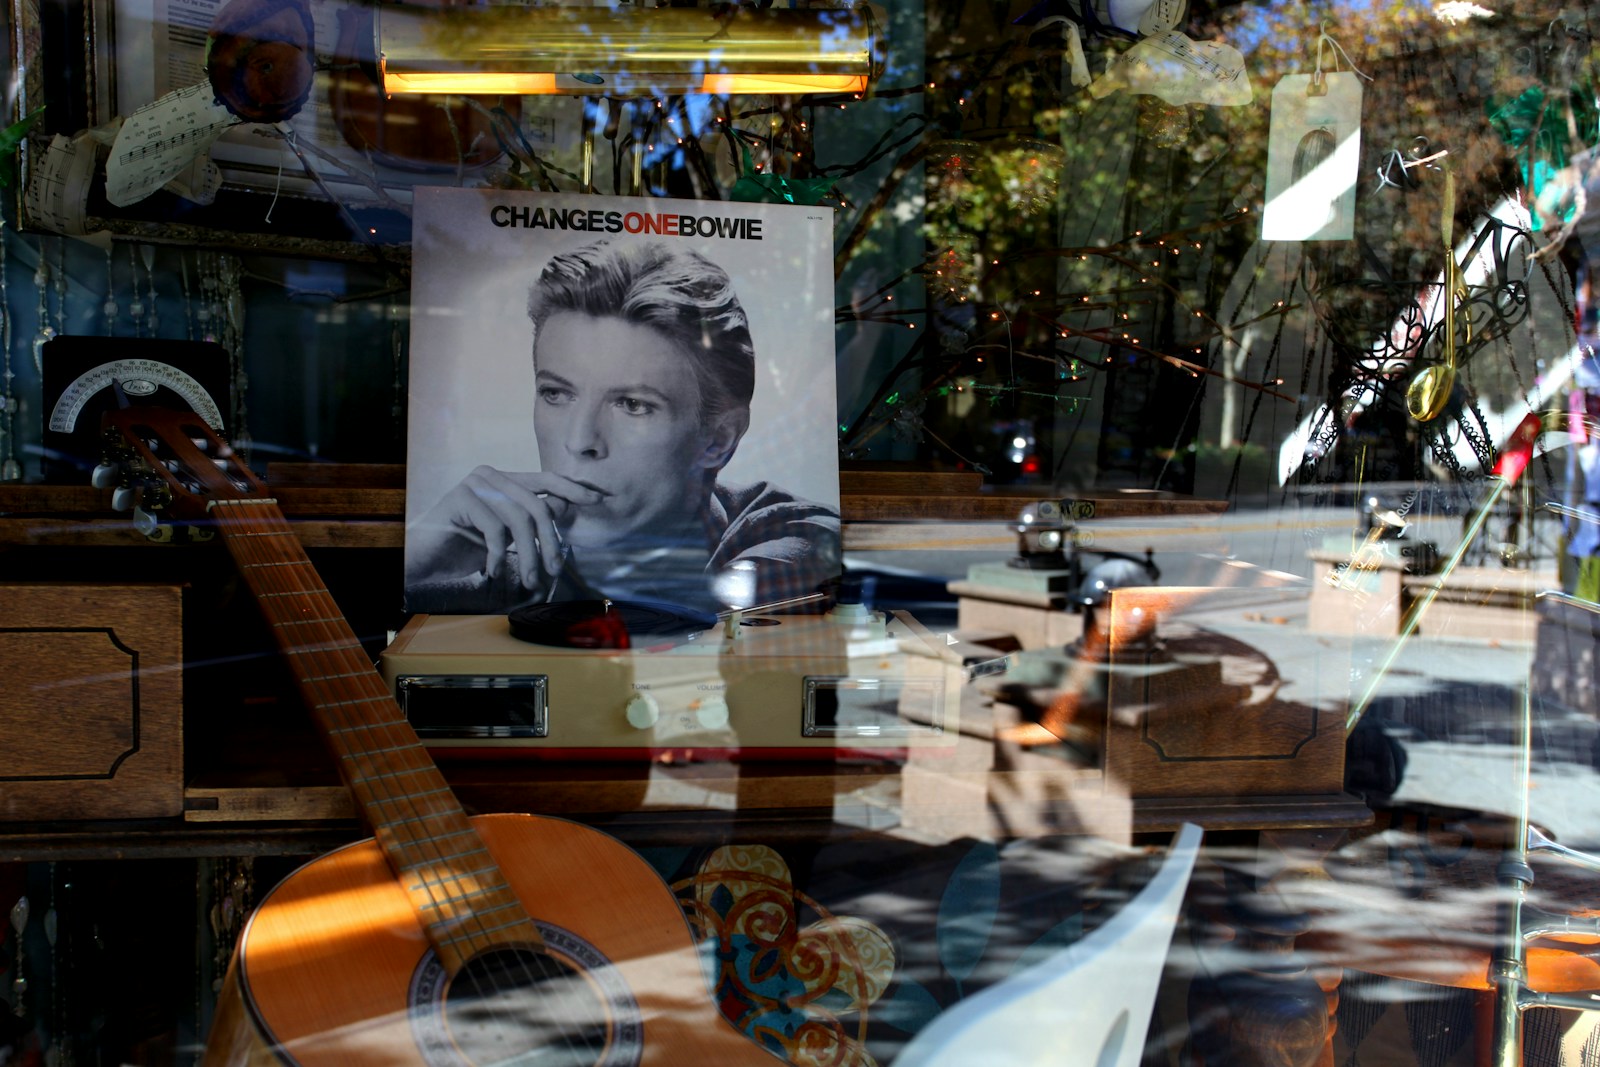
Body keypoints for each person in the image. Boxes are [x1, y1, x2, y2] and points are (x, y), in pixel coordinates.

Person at [405, 239, 842, 617]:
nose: (579, 442)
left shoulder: (788, 533)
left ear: (719, 438)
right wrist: (418, 560)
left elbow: (704, 612)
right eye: (557, 394)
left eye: (632, 404)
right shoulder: (499, 556)